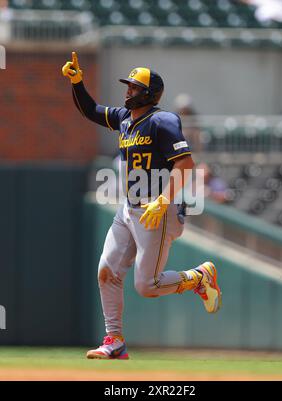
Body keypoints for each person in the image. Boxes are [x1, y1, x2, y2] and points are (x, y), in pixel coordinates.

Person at [62, 53, 222, 360]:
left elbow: (186, 164)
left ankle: (199, 277)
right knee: (106, 271)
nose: (128, 92)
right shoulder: (125, 119)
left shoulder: (163, 121)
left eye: (134, 88)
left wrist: (163, 200)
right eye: (128, 86)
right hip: (129, 209)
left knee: (146, 286)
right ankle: (115, 340)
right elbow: (91, 111)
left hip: (159, 209)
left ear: (149, 93)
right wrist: (77, 82)